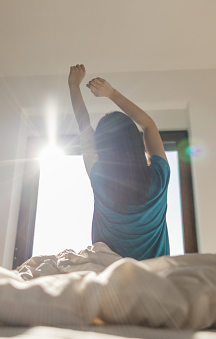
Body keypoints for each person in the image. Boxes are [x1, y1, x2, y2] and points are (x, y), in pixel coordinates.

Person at [68, 64, 170, 260]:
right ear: (136, 143)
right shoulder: (160, 177)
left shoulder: (100, 179)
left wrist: (74, 85)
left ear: (102, 151)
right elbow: (148, 125)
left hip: (110, 281)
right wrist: (111, 93)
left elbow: (84, 126)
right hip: (155, 280)